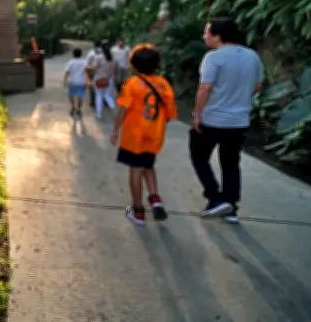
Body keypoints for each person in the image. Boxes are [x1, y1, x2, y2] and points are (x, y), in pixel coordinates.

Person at [190, 17, 263, 223]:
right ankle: (230, 208)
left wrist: (197, 114)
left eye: (207, 32)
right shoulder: (252, 56)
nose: (204, 36)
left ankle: (214, 197)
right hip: (239, 121)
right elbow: (258, 85)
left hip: (213, 119)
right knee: (231, 163)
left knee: (199, 156)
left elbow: (205, 87)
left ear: (217, 36)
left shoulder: (213, 57)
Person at [110, 44, 178, 225]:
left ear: (133, 65)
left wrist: (115, 129)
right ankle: (155, 199)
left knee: (135, 169)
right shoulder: (164, 84)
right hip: (154, 136)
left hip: (134, 136)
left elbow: (123, 109)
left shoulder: (132, 83)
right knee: (148, 166)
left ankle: (138, 211)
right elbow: (170, 114)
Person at [88, 41, 116, 120]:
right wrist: (108, 77)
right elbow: (112, 69)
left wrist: (89, 67)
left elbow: (94, 67)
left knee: (99, 95)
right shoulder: (111, 57)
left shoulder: (99, 57)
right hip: (108, 79)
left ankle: (99, 114)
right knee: (107, 95)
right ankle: (113, 107)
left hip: (99, 79)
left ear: (101, 48)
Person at [63, 47, 88, 118]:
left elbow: (67, 72)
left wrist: (65, 80)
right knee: (81, 96)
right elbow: (87, 72)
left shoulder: (70, 62)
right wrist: (87, 80)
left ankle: (73, 106)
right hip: (81, 82)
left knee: (71, 95)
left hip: (72, 81)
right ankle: (79, 109)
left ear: (73, 54)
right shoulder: (84, 62)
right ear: (81, 54)